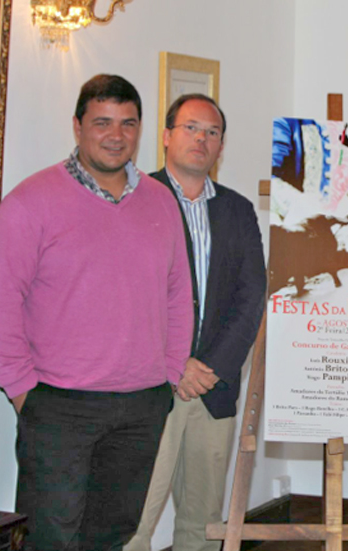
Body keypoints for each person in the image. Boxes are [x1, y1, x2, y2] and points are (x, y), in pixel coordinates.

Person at [0, 74, 193, 551]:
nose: (116, 135)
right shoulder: (31, 201)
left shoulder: (161, 202)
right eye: (102, 122)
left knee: (112, 537)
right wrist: (23, 392)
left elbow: (178, 294)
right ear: (77, 126)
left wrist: (170, 375)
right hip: (59, 405)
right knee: (50, 538)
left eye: (128, 123)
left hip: (142, 405)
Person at [125, 94, 266, 551]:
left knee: (203, 523)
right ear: (167, 136)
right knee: (134, 520)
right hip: (150, 387)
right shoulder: (134, 200)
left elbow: (251, 296)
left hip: (212, 388)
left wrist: (212, 368)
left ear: (221, 145)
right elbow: (126, 298)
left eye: (212, 132)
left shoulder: (237, 210)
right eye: (191, 128)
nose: (201, 139)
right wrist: (176, 363)